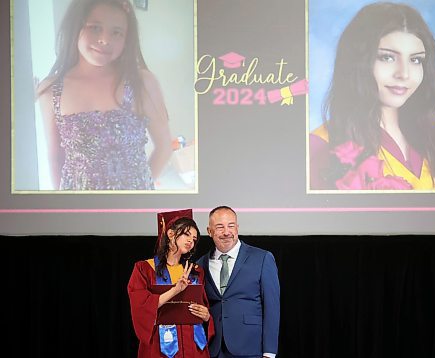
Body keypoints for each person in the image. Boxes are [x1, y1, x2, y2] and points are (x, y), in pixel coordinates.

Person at [309, 2, 435, 190]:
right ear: (357, 62)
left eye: (416, 60)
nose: (404, 74)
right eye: (387, 57)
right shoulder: (320, 147)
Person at [37, 0, 172, 190]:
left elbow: (164, 147)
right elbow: (55, 157)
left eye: (116, 32)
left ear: (127, 39)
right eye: (94, 28)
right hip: (80, 206)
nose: (105, 40)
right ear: (75, 27)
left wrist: (139, 192)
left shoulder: (141, 82)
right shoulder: (52, 89)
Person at [128, 209, 215, 358]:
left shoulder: (195, 271)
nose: (191, 241)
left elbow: (203, 308)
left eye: (194, 239)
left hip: (194, 348)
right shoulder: (145, 269)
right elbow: (141, 307)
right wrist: (175, 290)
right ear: (170, 234)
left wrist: (207, 316)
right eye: (187, 234)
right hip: (161, 347)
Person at [197, 206, 280, 358]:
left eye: (231, 226)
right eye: (220, 227)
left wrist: (269, 352)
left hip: (250, 348)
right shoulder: (200, 265)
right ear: (209, 231)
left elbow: (272, 308)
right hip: (212, 349)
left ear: (237, 228)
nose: (226, 232)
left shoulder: (262, 258)